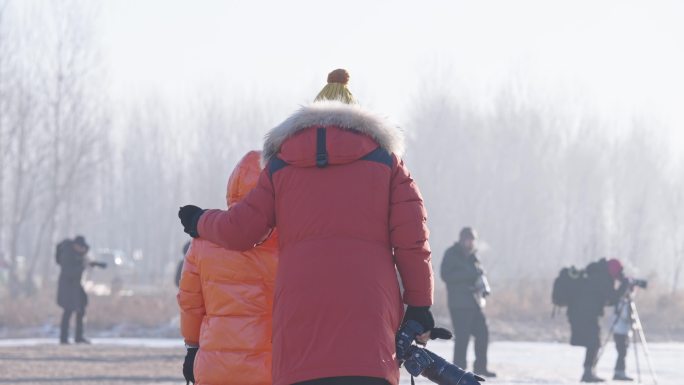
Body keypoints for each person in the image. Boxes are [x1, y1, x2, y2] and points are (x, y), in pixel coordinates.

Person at [178, 69, 435, 385]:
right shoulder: (387, 164)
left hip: (299, 327)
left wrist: (199, 220)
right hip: (369, 326)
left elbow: (241, 230)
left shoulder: (281, 165)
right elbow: (413, 241)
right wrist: (420, 306)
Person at [177, 151, 279, 385]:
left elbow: (190, 302)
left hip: (215, 367)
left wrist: (192, 347)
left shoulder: (203, 241)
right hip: (273, 368)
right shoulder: (290, 244)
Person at [440, 227, 496, 378]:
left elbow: (479, 274)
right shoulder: (451, 253)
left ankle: (481, 367)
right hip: (458, 304)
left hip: (475, 303)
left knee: (483, 333)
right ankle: (458, 371)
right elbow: (445, 275)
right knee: (462, 338)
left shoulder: (474, 257)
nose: (470, 242)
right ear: (461, 239)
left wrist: (482, 286)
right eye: (467, 239)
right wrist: (469, 275)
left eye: (472, 239)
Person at [567, 258, 628, 383]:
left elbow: (609, 300)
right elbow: (613, 298)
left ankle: (589, 372)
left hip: (582, 313)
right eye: (618, 273)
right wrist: (624, 286)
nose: (618, 276)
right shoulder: (602, 278)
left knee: (594, 342)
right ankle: (588, 373)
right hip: (584, 314)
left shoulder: (598, 274)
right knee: (594, 342)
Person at [55, 235, 106, 344]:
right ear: (76, 246)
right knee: (68, 311)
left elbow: (84, 260)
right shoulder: (67, 254)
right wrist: (82, 266)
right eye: (81, 247)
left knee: (81, 308)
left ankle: (79, 336)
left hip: (76, 286)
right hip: (67, 287)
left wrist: (94, 264)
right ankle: (63, 338)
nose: (83, 250)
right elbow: (69, 271)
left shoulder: (78, 254)